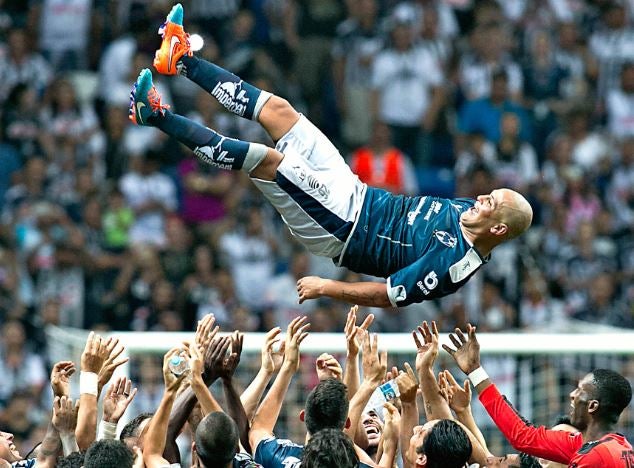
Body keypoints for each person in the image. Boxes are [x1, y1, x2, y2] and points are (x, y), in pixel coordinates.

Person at [129, 3, 533, 308]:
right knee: (281, 112)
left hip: (343, 228)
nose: (480, 199)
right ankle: (180, 58)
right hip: (353, 191)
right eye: (488, 195)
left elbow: (389, 294)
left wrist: (327, 288)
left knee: (271, 161)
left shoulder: (456, 263)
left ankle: (156, 115)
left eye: (490, 203)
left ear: (498, 229)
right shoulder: (472, 213)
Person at [443, 324, 634, 467]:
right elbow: (523, 436)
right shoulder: (601, 446)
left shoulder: (596, 456)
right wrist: (475, 371)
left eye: (580, 391)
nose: (572, 395)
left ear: (592, 406)